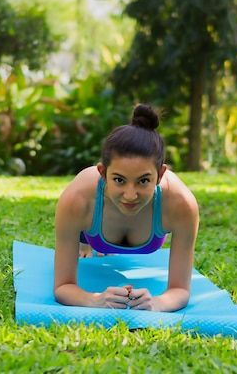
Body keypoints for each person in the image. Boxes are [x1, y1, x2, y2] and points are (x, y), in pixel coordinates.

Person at [53, 104, 199, 312]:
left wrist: (158, 302)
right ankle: (84, 242)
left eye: (143, 181)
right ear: (102, 173)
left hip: (153, 214)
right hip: (91, 223)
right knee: (83, 239)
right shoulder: (78, 200)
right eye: (119, 180)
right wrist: (95, 300)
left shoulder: (180, 204)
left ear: (160, 175)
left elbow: (180, 289)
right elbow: (62, 286)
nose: (131, 195)